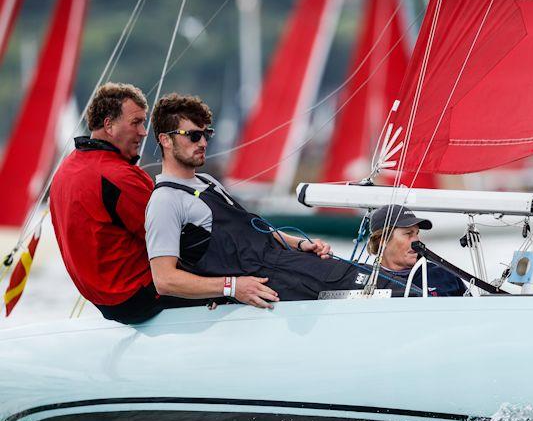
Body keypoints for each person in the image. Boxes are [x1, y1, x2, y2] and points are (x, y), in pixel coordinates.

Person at [145, 93, 366, 304]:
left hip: (285, 264)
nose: (203, 143)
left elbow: (251, 229)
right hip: (268, 283)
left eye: (206, 134)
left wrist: (299, 243)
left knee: (372, 277)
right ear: (165, 140)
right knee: (368, 286)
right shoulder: (164, 201)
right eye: (194, 136)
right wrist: (232, 288)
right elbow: (164, 280)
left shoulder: (207, 181)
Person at [50, 82, 208, 324]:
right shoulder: (119, 177)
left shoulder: (66, 169)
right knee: (255, 271)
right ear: (109, 125)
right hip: (141, 298)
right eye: (136, 123)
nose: (144, 132)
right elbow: (179, 237)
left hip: (106, 303)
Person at [367, 205, 467, 297]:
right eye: (408, 233)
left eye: (417, 233)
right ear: (383, 240)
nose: (416, 240)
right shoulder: (364, 281)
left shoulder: (445, 275)